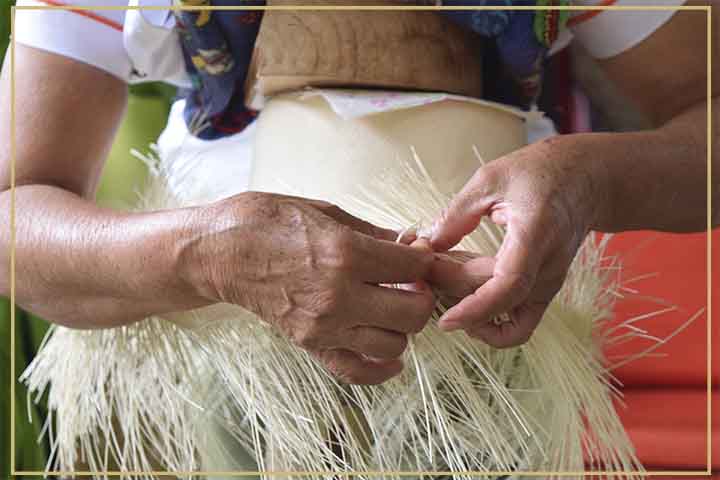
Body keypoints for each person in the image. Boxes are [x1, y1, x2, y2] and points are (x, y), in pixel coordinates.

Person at [0, 0, 717, 388]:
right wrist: (204, 256)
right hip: (219, 380)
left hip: (488, 375)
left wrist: (589, 180)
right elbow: (13, 214)